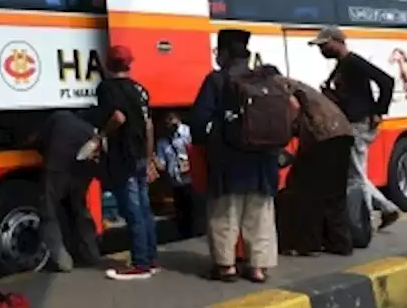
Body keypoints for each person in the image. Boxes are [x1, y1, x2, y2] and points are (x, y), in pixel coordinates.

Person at [188, 29, 280, 284]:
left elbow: (198, 119)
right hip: (263, 160)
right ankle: (257, 268)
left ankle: (226, 266)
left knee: (224, 214)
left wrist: (204, 142)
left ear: (226, 53)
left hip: (228, 161)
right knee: (260, 215)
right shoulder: (267, 78)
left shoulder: (217, 80)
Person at [311, 26, 401, 230]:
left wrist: (379, 111)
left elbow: (386, 81)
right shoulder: (341, 65)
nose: (321, 50)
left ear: (336, 42)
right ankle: (386, 208)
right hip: (352, 123)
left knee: (356, 175)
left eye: (324, 45)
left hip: (359, 124)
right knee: (354, 172)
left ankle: (366, 222)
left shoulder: (353, 62)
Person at [91, 44, 158, 281]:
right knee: (145, 209)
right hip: (140, 155)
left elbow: (117, 117)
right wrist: (149, 158)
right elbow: (149, 125)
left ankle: (140, 264)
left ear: (108, 64)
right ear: (129, 63)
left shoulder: (106, 89)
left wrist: (101, 135)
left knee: (132, 212)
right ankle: (150, 258)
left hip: (123, 157)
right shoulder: (140, 90)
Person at [277, 77, 355, 256]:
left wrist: (284, 135)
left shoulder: (279, 87)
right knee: (335, 193)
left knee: (306, 191)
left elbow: (294, 107)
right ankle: (341, 242)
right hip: (342, 132)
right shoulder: (297, 84)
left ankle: (308, 244)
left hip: (321, 136)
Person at [30, 109, 103, 273]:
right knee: (79, 209)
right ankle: (91, 254)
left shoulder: (58, 118)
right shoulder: (88, 128)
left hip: (56, 169)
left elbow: (38, 141)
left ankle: (63, 261)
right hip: (81, 172)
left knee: (48, 211)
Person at [155, 111, 195, 239]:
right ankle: (183, 233)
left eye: (172, 120)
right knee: (180, 208)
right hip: (175, 180)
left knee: (191, 207)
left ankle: (192, 231)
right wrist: (153, 160)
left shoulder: (188, 133)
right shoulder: (162, 142)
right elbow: (162, 164)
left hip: (190, 177)